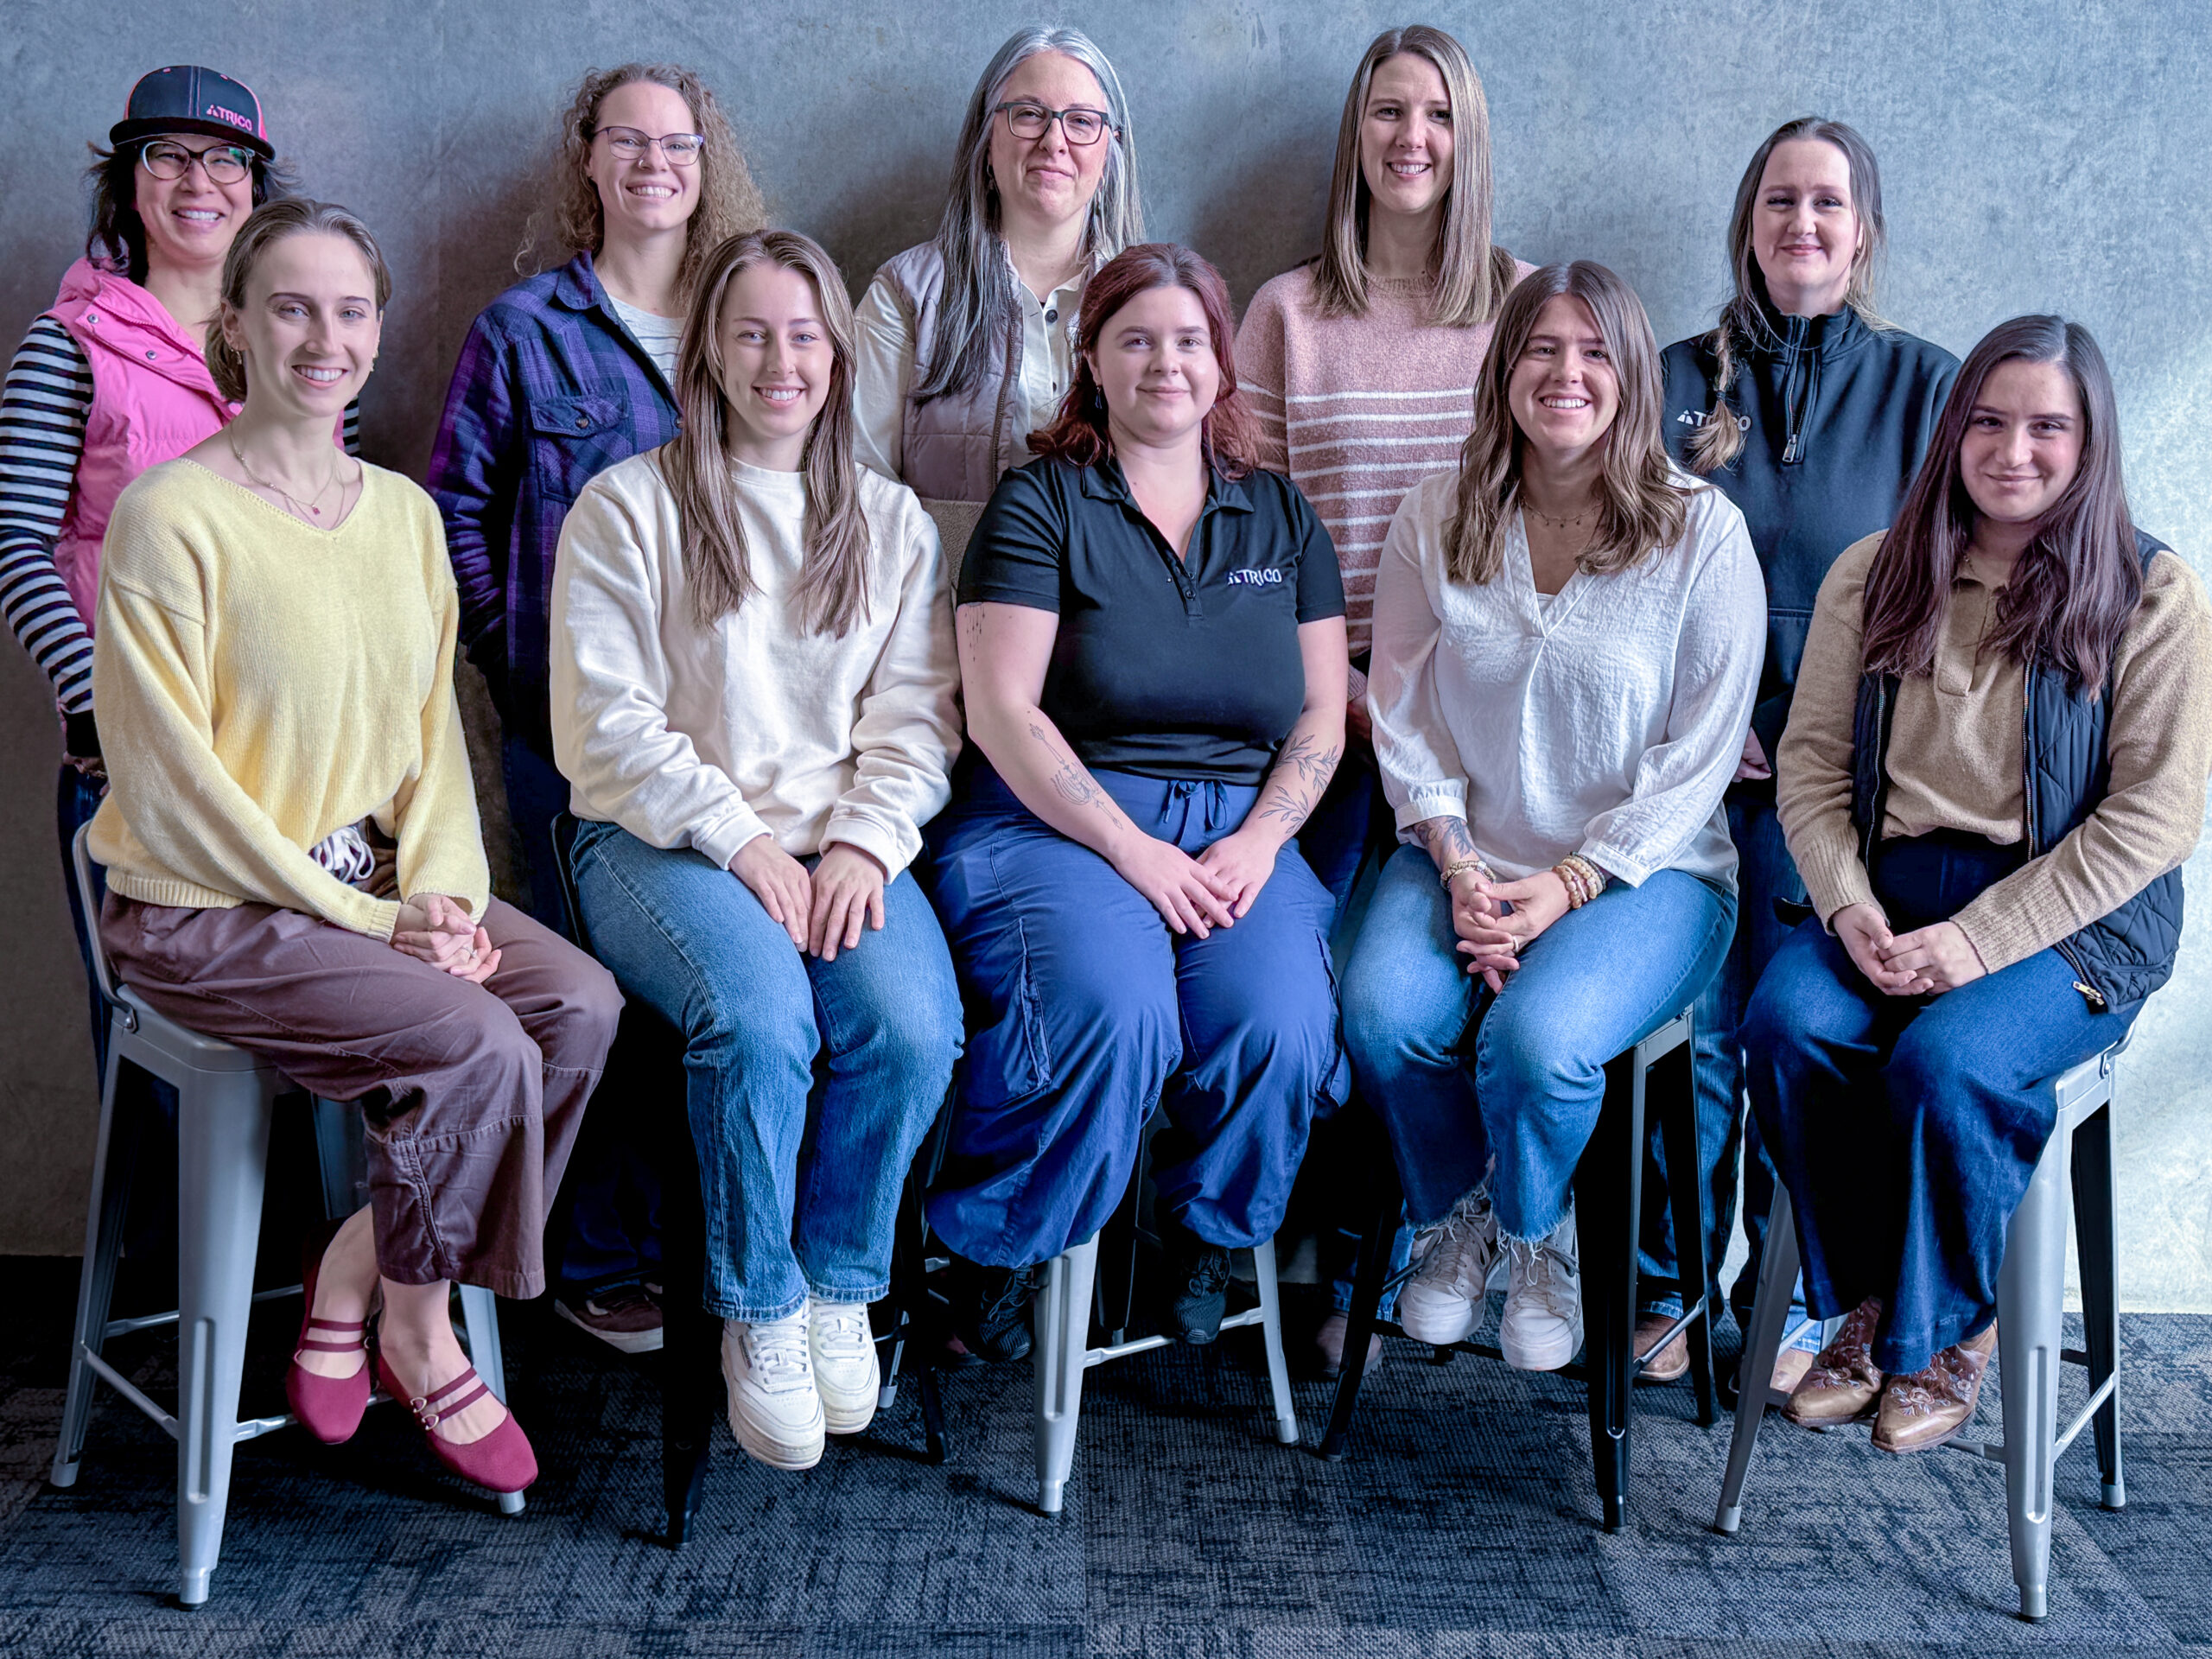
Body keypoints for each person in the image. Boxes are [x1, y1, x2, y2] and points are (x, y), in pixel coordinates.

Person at [88, 200, 620, 1496]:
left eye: (350, 309)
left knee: (581, 1005)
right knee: (477, 1038)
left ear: (377, 330)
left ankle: (356, 1267)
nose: (323, 336)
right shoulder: (172, 517)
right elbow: (175, 787)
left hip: (373, 888)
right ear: (239, 326)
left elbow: (430, 738)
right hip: (206, 904)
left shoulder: (402, 519)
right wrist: (385, 928)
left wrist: (437, 893)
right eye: (290, 306)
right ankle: (424, 1334)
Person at [1746, 315, 2210, 1452]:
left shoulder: (2151, 593)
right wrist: (1851, 907)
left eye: (2049, 427)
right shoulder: (1877, 571)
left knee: (1945, 1058)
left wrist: (1979, 942)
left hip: (2070, 927)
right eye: (1991, 422)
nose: (2015, 450)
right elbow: (1808, 766)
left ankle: (1950, 1330)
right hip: (1891, 896)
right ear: (1955, 432)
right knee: (1787, 1019)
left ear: (2089, 440)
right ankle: (1868, 1303)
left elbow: (2155, 817)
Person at [556, 229, 964, 1472]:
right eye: (752, 333)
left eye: (804, 335)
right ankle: (761, 1307)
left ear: (838, 356)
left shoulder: (887, 523)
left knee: (908, 1030)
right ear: (709, 355)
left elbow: (914, 719)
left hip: (836, 849)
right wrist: (742, 845)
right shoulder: (631, 505)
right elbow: (605, 723)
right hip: (657, 841)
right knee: (764, 1022)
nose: (780, 360)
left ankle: (840, 1280)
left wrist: (861, 847)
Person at [928, 244, 1349, 1362]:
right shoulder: (1039, 503)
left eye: (1190, 340)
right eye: (1137, 339)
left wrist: (1261, 841)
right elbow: (1005, 715)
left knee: (1282, 1022)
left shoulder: (1281, 518)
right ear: (1095, 361)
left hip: (1239, 829)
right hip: (1052, 822)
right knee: (1116, 1015)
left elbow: (1321, 714)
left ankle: (1205, 1234)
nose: (1167, 362)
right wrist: (1134, 852)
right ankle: (997, 1248)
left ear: (1223, 364)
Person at [1341, 262, 1763, 1372]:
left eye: (1591, 353)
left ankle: (1539, 1235)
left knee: (1539, 1043)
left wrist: (1571, 885)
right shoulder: (1438, 514)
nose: (1564, 373)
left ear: (1629, 374)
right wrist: (1456, 860)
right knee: (1383, 1017)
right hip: (1462, 854)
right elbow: (1400, 707)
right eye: (1540, 349)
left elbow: (1701, 753)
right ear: (1504, 372)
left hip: (1650, 875)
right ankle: (1458, 1213)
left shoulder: (1700, 536)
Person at [429, 62, 766, 1351]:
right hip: (565, 736)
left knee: (723, 990)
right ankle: (600, 1254)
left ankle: (708, 1241)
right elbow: (455, 513)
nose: (652, 165)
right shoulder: (524, 330)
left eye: (675, 142)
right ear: (587, 159)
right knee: (600, 992)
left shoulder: (750, 319)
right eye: (625, 141)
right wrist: (524, 662)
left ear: (705, 159)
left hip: (737, 736)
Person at [1233, 21, 1532, 1376]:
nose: (1412, 138)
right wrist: (1341, 690)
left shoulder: (1527, 311)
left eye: (1438, 117)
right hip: (1319, 709)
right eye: (1387, 114)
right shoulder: (1287, 313)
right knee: (1322, 988)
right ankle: (1331, 1263)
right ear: (1355, 138)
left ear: (1468, 141)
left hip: (1491, 734)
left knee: (1443, 981)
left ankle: (1472, 1234)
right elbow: (1245, 537)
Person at [1642, 117, 1961, 1388]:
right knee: (1690, 1033)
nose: (1804, 225)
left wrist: (1818, 744)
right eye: (1781, 202)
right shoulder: (1670, 380)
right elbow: (1619, 578)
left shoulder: (1932, 392)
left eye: (1829, 204)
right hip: (1681, 773)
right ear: (1748, 222)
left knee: (1786, 1024)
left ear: (1864, 229)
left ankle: (1802, 1298)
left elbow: (1952, 593)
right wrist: (1704, 735)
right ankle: (1668, 1282)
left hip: (1837, 785)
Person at [0, 67, 350, 1073]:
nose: (201, 181)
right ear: (129, 179)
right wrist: (99, 704)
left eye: (227, 159)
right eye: (169, 155)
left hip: (280, 767)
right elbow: (19, 547)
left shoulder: (304, 348)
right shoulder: (66, 348)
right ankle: (155, 1243)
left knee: (309, 1056)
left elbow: (335, 541)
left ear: (256, 184)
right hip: (133, 769)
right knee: (158, 1065)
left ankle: (310, 1240)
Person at [853, 24, 1142, 509]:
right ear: (987, 141)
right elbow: (861, 482)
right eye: (1029, 115)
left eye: (1081, 122)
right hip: (942, 586)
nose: (1054, 141)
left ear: (1109, 153)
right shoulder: (904, 297)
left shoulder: (1151, 304)